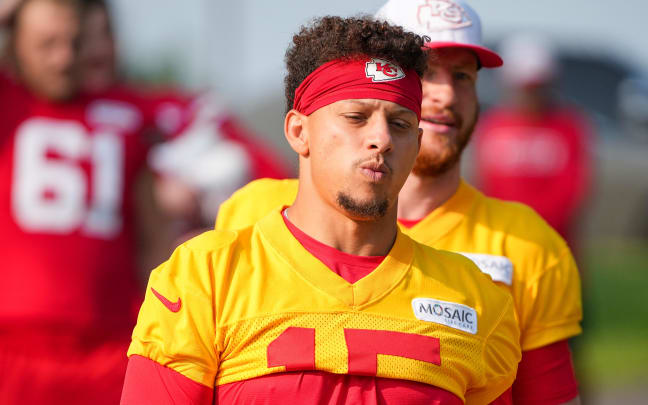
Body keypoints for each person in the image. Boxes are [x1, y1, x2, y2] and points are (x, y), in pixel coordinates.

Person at [121, 15, 520, 404]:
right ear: (298, 131)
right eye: (356, 117)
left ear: (416, 144)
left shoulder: (480, 301)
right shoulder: (203, 278)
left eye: (399, 124)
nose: (380, 139)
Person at [216, 1, 583, 404]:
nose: (445, 95)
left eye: (462, 76)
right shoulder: (254, 210)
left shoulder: (529, 244)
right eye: (426, 72)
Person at [0, 0, 159, 403]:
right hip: (12, 349)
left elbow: (153, 243)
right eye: (46, 43)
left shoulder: (129, 115)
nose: (63, 58)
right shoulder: (9, 106)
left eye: (73, 42)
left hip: (110, 350)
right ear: (14, 42)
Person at [78, 0, 291, 235]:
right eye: (82, 39)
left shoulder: (171, 108)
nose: (97, 49)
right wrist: (153, 191)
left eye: (105, 33)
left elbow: (267, 169)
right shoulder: (38, 121)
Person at [474, 34, 592, 245]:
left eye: (536, 87)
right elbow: (485, 184)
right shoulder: (492, 125)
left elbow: (571, 192)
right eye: (523, 87)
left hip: (553, 242)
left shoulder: (569, 127)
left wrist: (532, 229)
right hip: (500, 240)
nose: (530, 95)